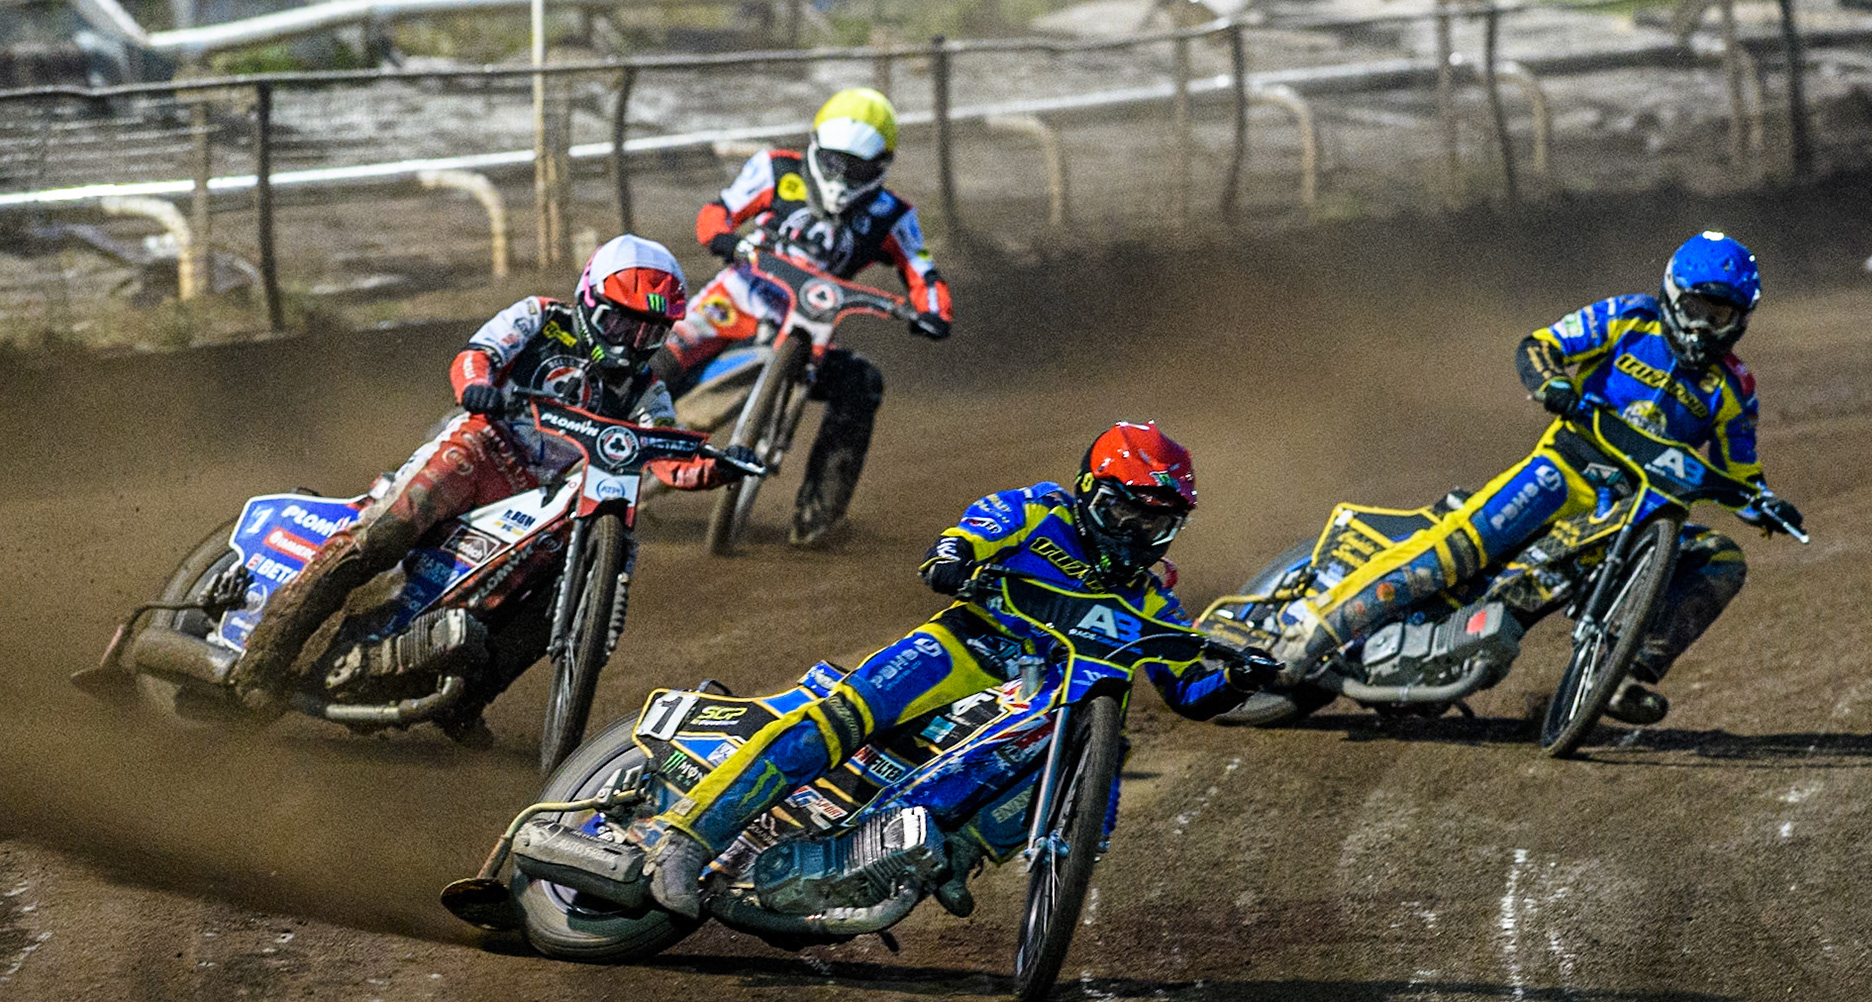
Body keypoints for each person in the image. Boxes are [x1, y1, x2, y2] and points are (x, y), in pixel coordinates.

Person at [628, 422, 1279, 918]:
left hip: (1043, 697)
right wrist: (954, 556)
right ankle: (685, 842)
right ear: (1088, 494)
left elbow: (1188, 686)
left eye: (1154, 527)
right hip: (970, 646)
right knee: (842, 716)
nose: (1132, 538)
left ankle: (947, 851)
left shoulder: (1153, 599)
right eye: (1121, 515)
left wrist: (1239, 678)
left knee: (1092, 753)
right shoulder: (1040, 509)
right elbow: (972, 531)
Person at [1268, 230, 1802, 726]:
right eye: (1697, 309)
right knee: (1457, 550)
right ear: (1671, 294)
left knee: (1721, 558)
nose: (1706, 327)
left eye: (1723, 315)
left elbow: (1739, 473)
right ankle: (1318, 626)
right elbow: (1541, 346)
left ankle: (1624, 672)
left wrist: (1767, 504)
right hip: (1564, 472)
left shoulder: (1735, 387)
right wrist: (1551, 384)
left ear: (1742, 319)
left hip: (1635, 516)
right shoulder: (1629, 318)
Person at [228, 235, 747, 741]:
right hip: (482, 450)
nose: (628, 342)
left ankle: (466, 699)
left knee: (550, 607)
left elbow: (663, 456)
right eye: (619, 322)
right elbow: (479, 353)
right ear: (589, 299)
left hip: (547, 498)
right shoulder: (542, 317)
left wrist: (716, 468)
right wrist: (476, 385)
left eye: (648, 333)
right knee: (383, 535)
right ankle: (267, 653)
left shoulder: (646, 391)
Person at [650, 87, 956, 546]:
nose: (841, 177)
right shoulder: (776, 169)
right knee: (659, 361)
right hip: (736, 301)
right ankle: (587, 447)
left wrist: (933, 312)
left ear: (880, 168)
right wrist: (724, 239)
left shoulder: (892, 214)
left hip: (809, 328)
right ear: (815, 146)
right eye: (834, 162)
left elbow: (922, 269)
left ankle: (817, 517)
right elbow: (719, 211)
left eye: (855, 169)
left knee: (861, 383)